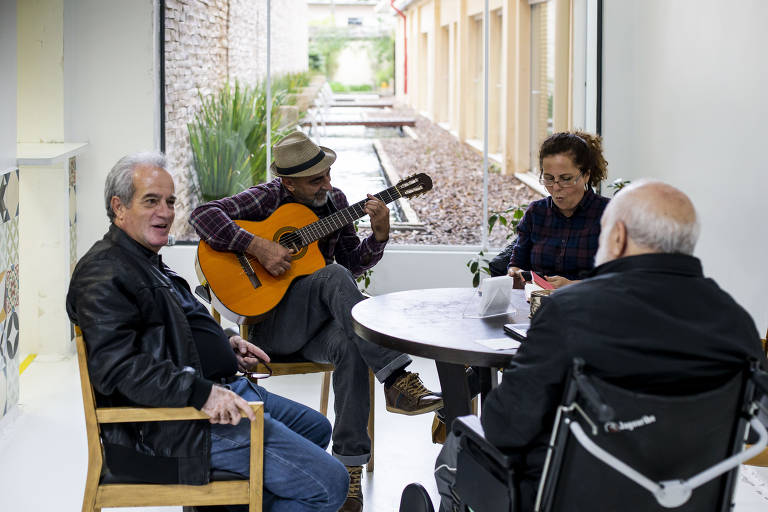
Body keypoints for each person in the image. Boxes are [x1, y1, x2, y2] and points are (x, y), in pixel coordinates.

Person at [436, 180, 767, 511]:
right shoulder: (736, 323)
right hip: (687, 499)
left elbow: (504, 427)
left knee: (458, 446)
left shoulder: (570, 311)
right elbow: (755, 427)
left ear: (618, 237)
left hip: (566, 498)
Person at [66, 152, 349, 512]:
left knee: (316, 427)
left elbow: (174, 329)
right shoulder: (103, 274)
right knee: (331, 485)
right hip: (179, 426)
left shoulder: (144, 259)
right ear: (118, 207)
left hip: (222, 390)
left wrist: (226, 344)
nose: (166, 212)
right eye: (151, 201)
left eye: (170, 202)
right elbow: (117, 368)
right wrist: (202, 393)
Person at [189, 131, 443, 512]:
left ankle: (349, 470)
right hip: (270, 328)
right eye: (315, 180)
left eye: (327, 174)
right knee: (333, 276)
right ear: (288, 183)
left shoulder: (336, 203)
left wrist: (379, 235)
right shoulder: (268, 198)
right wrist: (258, 245)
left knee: (352, 345)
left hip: (316, 329)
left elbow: (353, 262)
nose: (327, 184)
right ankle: (396, 379)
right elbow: (202, 215)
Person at [505, 131, 610, 288]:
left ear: (586, 175)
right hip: (538, 306)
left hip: (590, 307)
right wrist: (516, 275)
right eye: (548, 178)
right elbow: (516, 264)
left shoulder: (609, 214)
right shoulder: (536, 213)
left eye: (566, 179)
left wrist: (572, 285)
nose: (555, 187)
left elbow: (618, 279)